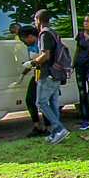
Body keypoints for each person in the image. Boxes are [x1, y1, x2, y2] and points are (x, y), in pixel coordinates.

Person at [32, 9, 70, 144]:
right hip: (57, 73)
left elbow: (45, 55)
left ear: (39, 20)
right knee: (53, 103)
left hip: (47, 73)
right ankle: (55, 133)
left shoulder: (44, 34)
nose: (34, 22)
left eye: (35, 20)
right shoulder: (54, 33)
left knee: (41, 102)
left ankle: (59, 128)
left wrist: (33, 62)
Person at [16, 26, 50, 137]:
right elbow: (31, 62)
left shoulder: (40, 44)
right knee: (30, 100)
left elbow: (44, 59)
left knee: (43, 102)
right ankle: (37, 127)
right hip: (36, 75)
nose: (24, 43)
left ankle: (49, 128)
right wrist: (23, 74)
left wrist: (33, 63)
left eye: (24, 40)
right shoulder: (30, 47)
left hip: (44, 75)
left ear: (30, 36)